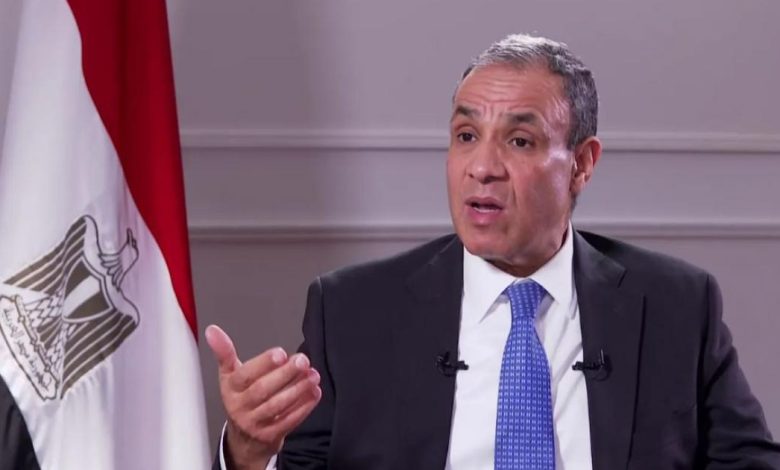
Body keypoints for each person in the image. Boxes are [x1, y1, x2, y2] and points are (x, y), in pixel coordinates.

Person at [206, 33, 780, 469]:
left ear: (581, 164)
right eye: (466, 136)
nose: (481, 167)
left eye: (520, 140)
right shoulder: (354, 310)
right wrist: (249, 454)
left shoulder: (675, 304)